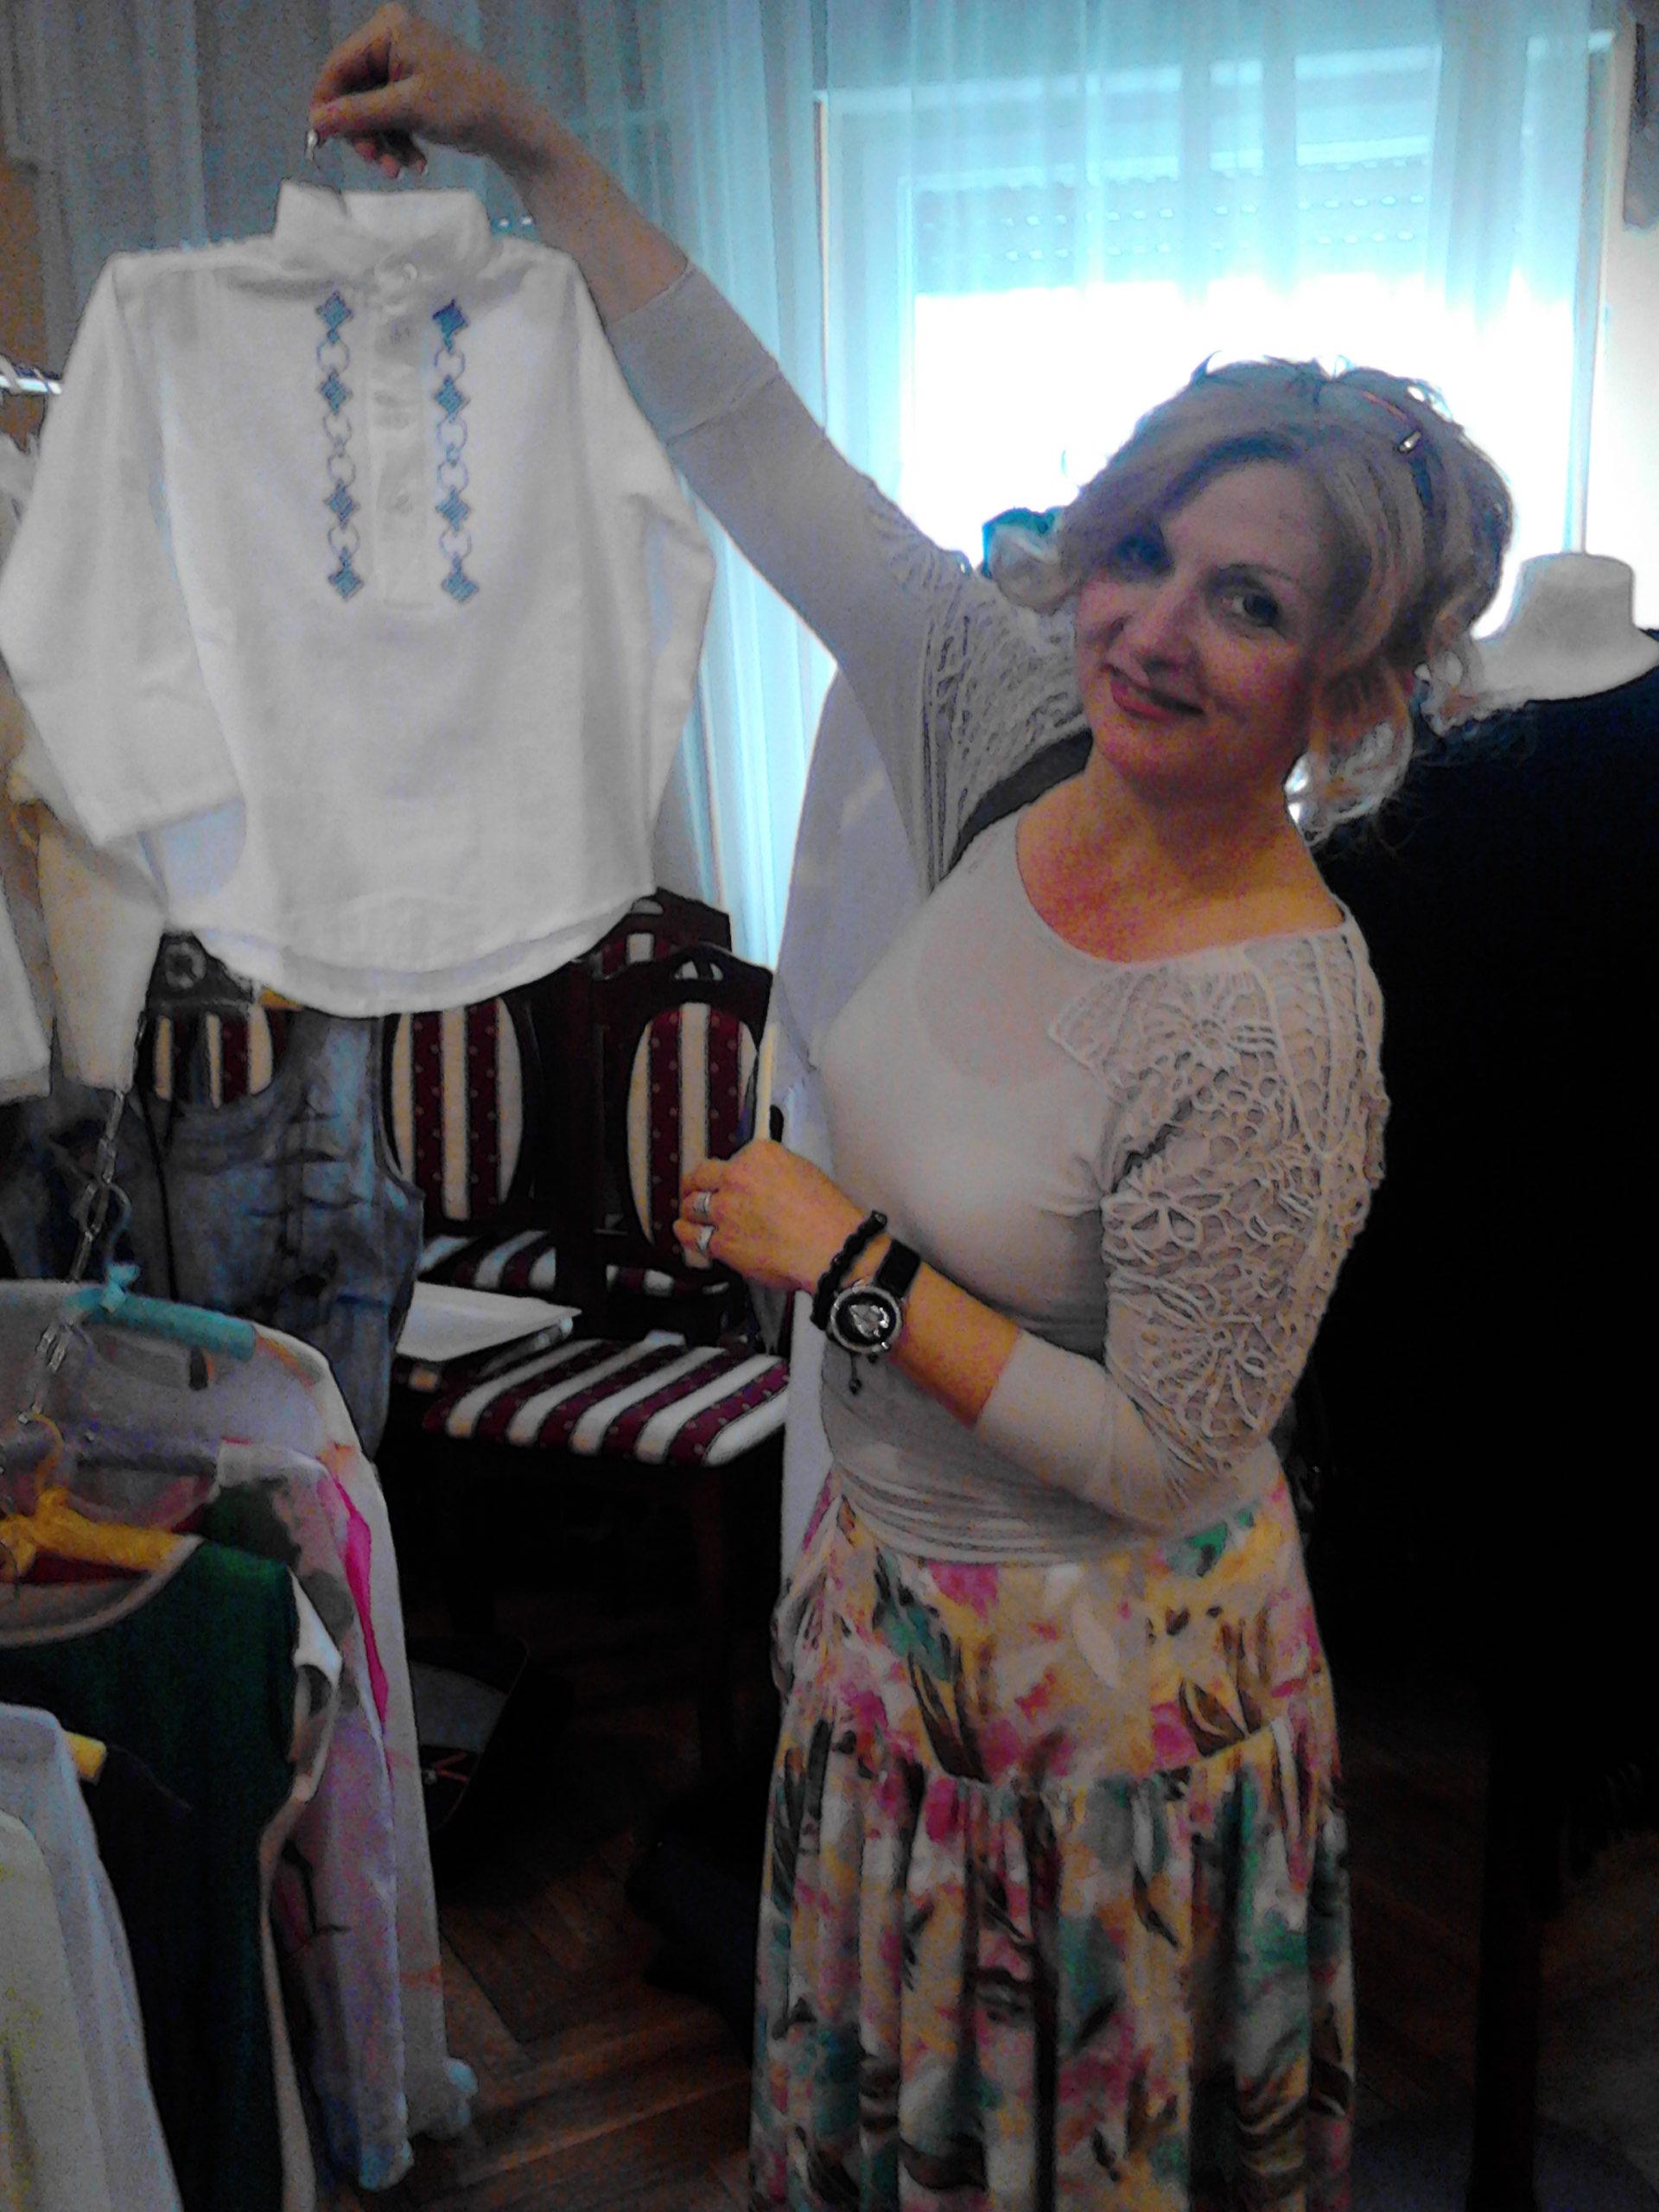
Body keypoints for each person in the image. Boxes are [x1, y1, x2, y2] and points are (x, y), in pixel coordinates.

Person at [310, 12, 1514, 2205]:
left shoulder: (1275, 1017)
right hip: (893, 1626)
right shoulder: (1011, 716)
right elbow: (752, 439)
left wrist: (845, 1262)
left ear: (1345, 682)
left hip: (1102, 1726)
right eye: (1142, 549)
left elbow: (1163, 1451)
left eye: (1247, 601)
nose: (1150, 626)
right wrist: (524, 143)